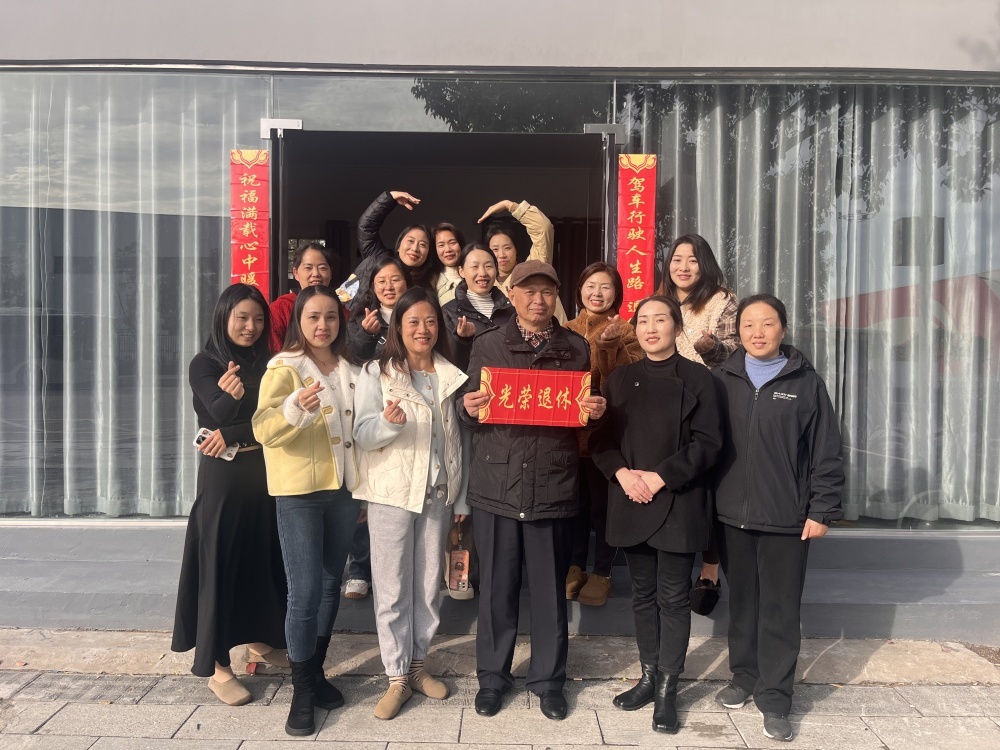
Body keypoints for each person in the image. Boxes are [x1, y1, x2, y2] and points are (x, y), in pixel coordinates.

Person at [460, 260, 607, 722]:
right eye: (528, 291)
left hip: (552, 485)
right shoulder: (487, 344)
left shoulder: (576, 348)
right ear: (512, 294)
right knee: (496, 590)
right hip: (497, 484)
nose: (538, 300)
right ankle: (492, 678)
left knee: (549, 592)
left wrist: (594, 412)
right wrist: (467, 409)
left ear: (557, 296)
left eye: (546, 292)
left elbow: (582, 414)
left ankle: (548, 681)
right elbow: (469, 412)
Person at [712, 293, 844, 742]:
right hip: (731, 516)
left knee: (780, 609)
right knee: (742, 604)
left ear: (783, 329)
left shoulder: (806, 383)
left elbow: (826, 451)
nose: (758, 332)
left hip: (787, 517)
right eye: (749, 324)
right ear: (738, 331)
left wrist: (822, 509)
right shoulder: (723, 379)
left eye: (767, 323)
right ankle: (744, 676)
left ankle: (775, 696)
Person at [590, 295, 723, 734]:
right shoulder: (619, 379)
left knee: (673, 598)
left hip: (679, 502)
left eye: (660, 319)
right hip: (631, 499)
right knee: (643, 596)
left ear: (676, 326)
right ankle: (648, 677)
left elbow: (709, 443)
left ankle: (668, 687)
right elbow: (600, 440)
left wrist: (661, 476)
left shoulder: (699, 379)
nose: (650, 328)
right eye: (643, 320)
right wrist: (623, 474)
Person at [353, 287, 469, 720]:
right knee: (392, 588)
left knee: (427, 585)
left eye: (430, 321)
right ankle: (396, 675)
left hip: (438, 495)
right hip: (392, 494)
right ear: (397, 327)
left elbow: (459, 441)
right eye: (413, 321)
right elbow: (362, 434)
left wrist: (461, 497)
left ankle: (419, 665)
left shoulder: (450, 375)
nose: (423, 329)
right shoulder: (377, 373)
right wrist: (386, 424)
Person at [172, 283, 288, 706]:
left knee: (260, 559)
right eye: (242, 317)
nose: (250, 326)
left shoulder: (271, 362)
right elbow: (213, 418)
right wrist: (228, 399)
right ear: (224, 317)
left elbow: (280, 418)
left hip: (263, 473)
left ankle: (259, 640)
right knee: (220, 564)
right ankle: (219, 668)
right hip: (223, 478)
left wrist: (235, 430)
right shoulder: (204, 363)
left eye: (258, 319)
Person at [252, 286, 361, 736]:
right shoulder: (285, 368)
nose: (323, 325)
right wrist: (295, 406)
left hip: (343, 491)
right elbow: (263, 428)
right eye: (313, 317)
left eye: (331, 316)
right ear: (298, 320)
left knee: (332, 584)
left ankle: (315, 673)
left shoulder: (352, 369)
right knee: (306, 590)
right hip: (299, 493)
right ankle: (300, 690)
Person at [658, 234, 739, 610]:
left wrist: (710, 347)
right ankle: (670, 564)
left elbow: (736, 353)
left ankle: (710, 569)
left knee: (707, 485)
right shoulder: (659, 300)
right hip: (664, 403)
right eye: (677, 259)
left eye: (692, 260)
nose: (683, 267)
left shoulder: (722, 300)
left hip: (707, 402)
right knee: (671, 480)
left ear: (704, 264)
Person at [564, 263, 643, 607]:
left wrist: (610, 347)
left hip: (606, 435)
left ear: (617, 293)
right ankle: (575, 565)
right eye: (590, 285)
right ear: (579, 290)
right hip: (568, 436)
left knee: (603, 506)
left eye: (605, 287)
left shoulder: (628, 331)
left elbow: (625, 384)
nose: (597, 293)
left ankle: (603, 571)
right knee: (574, 506)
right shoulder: (565, 329)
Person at [342, 256, 411, 600]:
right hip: (370, 408)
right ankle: (359, 570)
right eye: (381, 281)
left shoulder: (418, 315)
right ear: (372, 287)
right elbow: (353, 357)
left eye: (395, 279)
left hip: (407, 412)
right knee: (365, 490)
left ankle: (400, 572)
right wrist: (367, 335)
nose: (388, 286)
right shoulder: (361, 318)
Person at [479, 199, 567, 324]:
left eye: (507, 248)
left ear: (516, 250)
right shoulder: (484, 285)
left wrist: (509, 205)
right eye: (495, 249)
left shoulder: (533, 268)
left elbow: (543, 229)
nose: (502, 255)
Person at [352, 190, 439, 302]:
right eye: (410, 241)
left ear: (428, 253)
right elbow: (366, 227)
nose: (415, 249)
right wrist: (390, 197)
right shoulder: (378, 259)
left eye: (423, 245)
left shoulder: (429, 285)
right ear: (398, 246)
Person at [441, 241, 514, 372]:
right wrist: (462, 340)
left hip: (507, 383)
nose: (482, 273)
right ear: (461, 271)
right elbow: (447, 365)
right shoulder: (449, 312)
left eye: (488, 266)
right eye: (474, 267)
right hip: (472, 384)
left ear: (496, 269)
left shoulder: (512, 310)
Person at [269, 242, 334, 353]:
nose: (316, 274)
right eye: (308, 268)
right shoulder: (281, 308)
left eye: (322, 268)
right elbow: (274, 352)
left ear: (331, 273)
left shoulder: (338, 309)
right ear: (296, 273)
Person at [432, 222, 465, 306]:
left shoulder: (475, 275)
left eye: (452, 243)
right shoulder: (431, 282)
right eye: (441, 245)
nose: (448, 249)